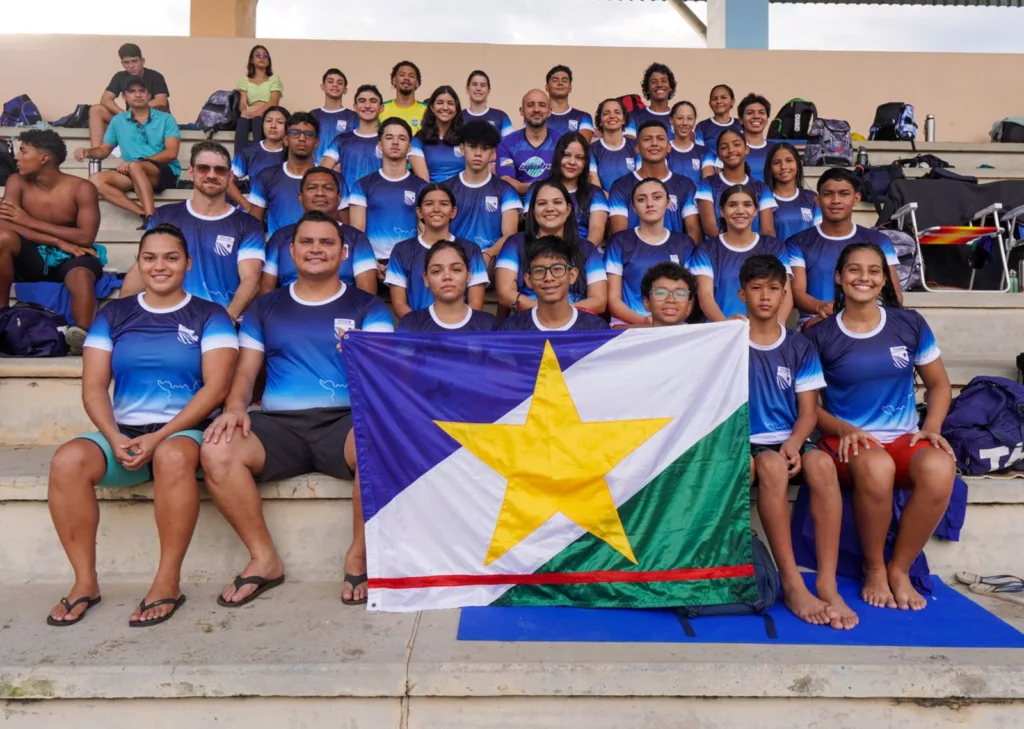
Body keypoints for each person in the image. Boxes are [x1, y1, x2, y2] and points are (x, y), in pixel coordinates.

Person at [45, 224, 237, 627]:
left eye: (171, 257)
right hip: (125, 433)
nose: (159, 266)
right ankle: (85, 583)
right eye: (149, 257)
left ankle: (167, 582)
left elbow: (216, 389)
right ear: (139, 263)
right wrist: (114, 437)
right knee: (67, 461)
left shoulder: (210, 315)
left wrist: (160, 436)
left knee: (169, 455)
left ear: (188, 263)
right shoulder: (114, 314)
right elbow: (95, 388)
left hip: (184, 431)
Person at [200, 210, 394, 608]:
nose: (316, 250)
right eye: (307, 242)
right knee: (217, 450)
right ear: (291, 251)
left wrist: (364, 358)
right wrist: (235, 407)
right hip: (278, 426)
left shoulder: (369, 307)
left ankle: (359, 554)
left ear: (343, 253)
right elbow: (246, 371)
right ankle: (264, 558)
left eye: (326, 243)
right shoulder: (264, 307)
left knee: (378, 443)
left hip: (344, 422)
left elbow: (385, 380)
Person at [806, 242, 955, 611]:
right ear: (839, 278)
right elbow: (808, 410)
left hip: (903, 439)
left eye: (874, 271)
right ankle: (874, 567)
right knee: (876, 465)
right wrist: (844, 429)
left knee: (940, 466)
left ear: (884, 279)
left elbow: (939, 385)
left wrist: (932, 426)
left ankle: (899, 569)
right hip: (847, 444)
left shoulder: (909, 323)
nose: (864, 278)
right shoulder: (819, 334)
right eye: (854, 270)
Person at [740, 254, 856, 630]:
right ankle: (791, 581)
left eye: (773, 289)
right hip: (746, 442)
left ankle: (826, 580)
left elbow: (808, 411)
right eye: (756, 289)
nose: (765, 297)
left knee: (823, 464)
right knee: (772, 467)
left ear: (785, 294)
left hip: (789, 437)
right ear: (741, 293)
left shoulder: (799, 346)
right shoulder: (728, 343)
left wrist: (794, 443)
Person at [120, 142, 265, 320]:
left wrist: (226, 320)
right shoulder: (165, 215)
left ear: (229, 176)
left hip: (222, 321)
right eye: (203, 168)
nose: (211, 175)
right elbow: (142, 269)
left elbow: (251, 280)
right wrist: (122, 317)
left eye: (220, 170)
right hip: (170, 321)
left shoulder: (248, 224)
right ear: (191, 171)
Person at [0, 130, 102, 353]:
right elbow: (5, 224)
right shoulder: (16, 181)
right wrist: (56, 240)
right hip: (32, 256)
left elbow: (85, 237)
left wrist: (28, 221)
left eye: (24, 151)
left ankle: (81, 335)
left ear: (44, 158)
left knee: (81, 274)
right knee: (2, 239)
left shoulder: (82, 188)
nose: (17, 157)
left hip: (71, 254)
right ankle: (2, 319)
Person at [787, 168, 901, 326]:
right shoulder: (797, 242)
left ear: (856, 198)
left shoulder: (879, 241)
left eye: (844, 194)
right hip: (817, 322)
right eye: (828, 194)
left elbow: (894, 294)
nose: (835, 200)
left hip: (867, 323)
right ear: (817, 199)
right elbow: (797, 292)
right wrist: (822, 307)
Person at [75, 79, 181, 230]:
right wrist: (88, 152)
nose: (137, 95)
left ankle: (152, 218)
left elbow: (171, 153)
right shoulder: (118, 121)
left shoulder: (166, 119)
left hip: (164, 172)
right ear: (124, 97)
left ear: (149, 95)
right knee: (95, 180)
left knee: (134, 165)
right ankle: (143, 214)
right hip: (133, 172)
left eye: (142, 91)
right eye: (132, 91)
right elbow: (104, 150)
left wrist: (139, 162)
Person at [605, 178, 709, 328]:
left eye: (657, 197)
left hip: (673, 323)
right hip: (630, 325)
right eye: (641, 199)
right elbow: (613, 300)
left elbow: (689, 294)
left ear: (668, 203)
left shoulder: (684, 243)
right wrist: (645, 322)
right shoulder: (619, 242)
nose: (649, 204)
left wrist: (668, 320)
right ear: (633, 207)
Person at [496, 180, 607, 316]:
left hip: (575, 327)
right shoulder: (514, 243)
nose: (550, 208)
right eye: (542, 203)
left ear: (568, 209)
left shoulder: (587, 249)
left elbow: (599, 301)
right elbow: (505, 293)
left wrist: (561, 314)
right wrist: (544, 313)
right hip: (527, 323)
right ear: (532, 210)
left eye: (557, 202)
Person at [261, 167, 377, 296]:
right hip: (288, 310)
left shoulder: (356, 238)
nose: (320, 193)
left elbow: (367, 296)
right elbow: (265, 293)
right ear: (300, 197)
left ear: (339, 198)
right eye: (312, 188)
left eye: (328, 188)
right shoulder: (280, 237)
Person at [385, 184, 488, 317]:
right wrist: (421, 328)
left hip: (459, 332)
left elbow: (476, 302)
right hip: (418, 332)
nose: (436, 209)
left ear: (453, 212)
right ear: (419, 211)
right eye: (429, 204)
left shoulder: (471, 250)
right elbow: (399, 304)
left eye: (444, 204)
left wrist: (457, 327)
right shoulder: (401, 250)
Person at [698, 184, 791, 322]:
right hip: (722, 332)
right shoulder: (706, 249)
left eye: (747, 205)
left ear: (755, 211)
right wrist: (726, 325)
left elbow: (786, 293)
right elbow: (705, 296)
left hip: (765, 334)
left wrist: (778, 329)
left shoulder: (774, 246)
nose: (740, 210)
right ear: (722, 211)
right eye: (733, 205)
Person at [249, 112, 347, 237]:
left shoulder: (335, 180)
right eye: (295, 133)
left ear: (316, 142)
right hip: (280, 252)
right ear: (285, 139)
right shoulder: (266, 177)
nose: (302, 138)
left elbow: (345, 227)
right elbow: (254, 225)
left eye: (308, 134)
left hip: (322, 252)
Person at [347, 118, 428, 268]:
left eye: (402, 138)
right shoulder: (362, 185)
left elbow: (425, 233)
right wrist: (373, 264)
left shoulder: (421, 187)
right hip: (371, 263)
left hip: (410, 262)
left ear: (410, 147)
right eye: (389, 137)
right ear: (379, 145)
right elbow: (357, 232)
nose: (395, 142)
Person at [442, 120, 522, 267]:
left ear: (492, 153)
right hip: (452, 261)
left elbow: (509, 235)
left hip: (490, 261)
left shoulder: (506, 190)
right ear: (462, 149)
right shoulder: (445, 189)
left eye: (484, 148)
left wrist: (488, 254)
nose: (478, 153)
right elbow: (438, 232)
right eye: (472, 146)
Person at [608, 120, 701, 243]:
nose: (654, 143)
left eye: (660, 138)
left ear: (669, 147)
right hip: (634, 257)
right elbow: (619, 234)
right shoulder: (621, 186)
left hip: (674, 258)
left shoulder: (686, 185)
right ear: (637, 148)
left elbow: (693, 230)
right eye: (647, 139)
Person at [498, 236, 610, 332]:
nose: (548, 278)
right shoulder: (510, 329)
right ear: (528, 280)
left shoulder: (596, 329)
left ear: (572, 275)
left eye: (557, 269)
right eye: (539, 271)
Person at [397, 241, 498, 332]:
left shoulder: (488, 325)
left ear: (468, 275)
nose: (447, 276)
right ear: (426, 279)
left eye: (456, 269)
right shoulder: (411, 323)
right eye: (436, 271)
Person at [695, 129, 777, 238]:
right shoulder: (707, 185)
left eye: (736, 144)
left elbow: (768, 232)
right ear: (718, 155)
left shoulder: (761, 188)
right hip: (719, 251)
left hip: (756, 253)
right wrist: (734, 249)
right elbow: (710, 229)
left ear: (746, 150)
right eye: (724, 147)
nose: (731, 150)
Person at [528, 133, 607, 245]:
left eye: (579, 157)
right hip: (542, 251)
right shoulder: (537, 189)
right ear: (557, 157)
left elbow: (596, 230)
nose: (572, 162)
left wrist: (581, 257)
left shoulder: (595, 193)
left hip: (583, 254)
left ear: (586, 162)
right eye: (566, 155)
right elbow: (531, 227)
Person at [89, 43, 170, 150]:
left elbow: (161, 100)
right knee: (96, 109)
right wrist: (124, 114)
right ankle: (96, 155)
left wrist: (137, 110)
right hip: (130, 121)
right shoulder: (120, 77)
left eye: (134, 61)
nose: (131, 66)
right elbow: (105, 99)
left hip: (150, 121)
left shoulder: (155, 76)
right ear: (122, 63)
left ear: (143, 61)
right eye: (127, 62)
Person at [228, 105, 289, 212]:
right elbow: (228, 181)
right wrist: (246, 205)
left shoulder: (293, 153)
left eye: (280, 122)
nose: (273, 126)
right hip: (255, 212)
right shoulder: (249, 152)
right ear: (263, 125)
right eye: (269, 121)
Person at [321, 84, 384, 188]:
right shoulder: (341, 140)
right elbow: (322, 173)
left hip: (380, 201)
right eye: (362, 101)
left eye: (373, 101)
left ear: (381, 108)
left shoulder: (389, 140)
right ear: (355, 107)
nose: (367, 106)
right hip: (347, 202)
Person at [497, 89, 556, 198]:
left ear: (549, 111)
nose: (536, 109)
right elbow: (506, 181)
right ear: (521, 111)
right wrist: (541, 188)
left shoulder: (561, 142)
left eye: (542, 105)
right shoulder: (507, 143)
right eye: (530, 105)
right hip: (520, 206)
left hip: (554, 204)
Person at [765, 142, 821, 243]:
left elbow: (819, 236)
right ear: (770, 168)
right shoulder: (765, 199)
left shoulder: (812, 198)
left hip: (808, 257)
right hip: (777, 257)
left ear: (798, 164)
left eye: (789, 160)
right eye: (777, 163)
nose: (783, 167)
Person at [234, 45, 284, 155]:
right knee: (241, 121)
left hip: (267, 113)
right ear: (252, 60)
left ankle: (258, 158)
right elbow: (242, 101)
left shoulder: (274, 79)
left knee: (258, 121)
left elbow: (274, 101)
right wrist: (244, 112)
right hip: (251, 112)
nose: (261, 57)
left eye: (265, 56)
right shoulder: (244, 80)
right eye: (257, 55)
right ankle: (238, 161)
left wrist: (257, 112)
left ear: (268, 61)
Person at [409, 86, 465, 183]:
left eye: (450, 103)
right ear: (432, 107)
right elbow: (424, 182)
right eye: (440, 103)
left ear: (456, 109)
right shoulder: (418, 140)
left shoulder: (466, 138)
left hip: (463, 195)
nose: (445, 107)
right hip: (433, 194)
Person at [312, 68, 360, 163]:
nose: (335, 85)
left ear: (345, 90)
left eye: (340, 83)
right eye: (330, 81)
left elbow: (356, 146)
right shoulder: (313, 115)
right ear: (322, 87)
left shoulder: (354, 117)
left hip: (342, 171)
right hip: (315, 170)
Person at [590, 98, 637, 192]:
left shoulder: (637, 147)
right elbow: (595, 187)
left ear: (624, 119)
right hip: (605, 204)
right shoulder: (591, 150)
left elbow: (642, 180)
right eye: (606, 113)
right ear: (600, 120)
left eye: (617, 112)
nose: (612, 116)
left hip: (634, 203)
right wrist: (617, 202)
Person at [666, 101, 716, 186]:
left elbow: (707, 184)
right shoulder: (664, 150)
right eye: (680, 118)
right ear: (671, 120)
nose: (685, 123)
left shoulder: (705, 152)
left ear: (694, 121)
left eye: (689, 118)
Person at [640, 262, 698, 327]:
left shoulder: (703, 336)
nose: (671, 300)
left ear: (689, 306)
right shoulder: (631, 337)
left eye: (680, 294)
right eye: (661, 293)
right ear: (646, 303)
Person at [544, 65, 594, 142]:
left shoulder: (584, 117)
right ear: (547, 87)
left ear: (570, 88)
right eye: (555, 80)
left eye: (564, 80)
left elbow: (582, 148)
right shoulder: (537, 116)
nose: (560, 83)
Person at [630, 63, 677, 139]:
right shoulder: (634, 117)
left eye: (664, 81)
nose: (659, 85)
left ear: (670, 87)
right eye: (654, 82)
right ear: (647, 88)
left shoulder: (678, 118)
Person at [462, 70, 514, 137]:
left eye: (483, 85)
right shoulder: (459, 117)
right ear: (467, 89)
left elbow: (510, 145)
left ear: (488, 91)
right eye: (474, 84)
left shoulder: (501, 117)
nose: (478, 88)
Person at [380, 60, 427, 134]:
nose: (406, 78)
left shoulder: (427, 110)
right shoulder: (381, 109)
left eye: (411, 76)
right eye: (402, 75)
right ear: (394, 80)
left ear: (417, 83)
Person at [694, 84, 743, 152]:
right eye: (714, 98)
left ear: (732, 102)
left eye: (723, 97)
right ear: (710, 103)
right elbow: (699, 153)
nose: (719, 101)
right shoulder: (702, 127)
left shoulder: (741, 124)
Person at [736, 93, 773, 184]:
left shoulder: (776, 149)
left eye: (761, 112)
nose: (756, 116)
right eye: (750, 113)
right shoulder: (731, 149)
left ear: (767, 118)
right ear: (741, 119)